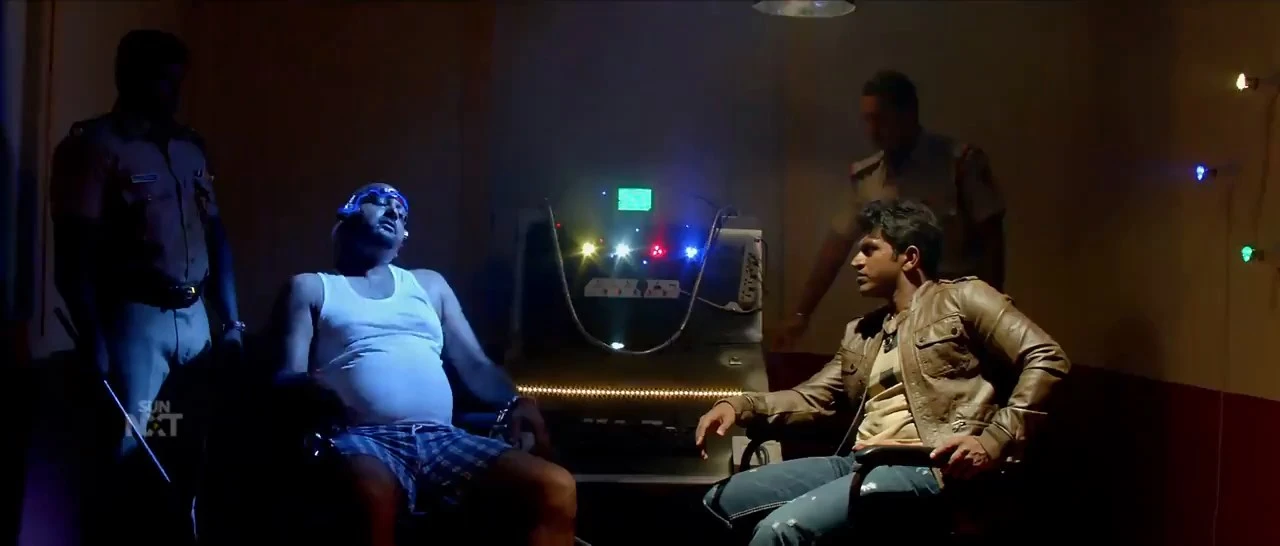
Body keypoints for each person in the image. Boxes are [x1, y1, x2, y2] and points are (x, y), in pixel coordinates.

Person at [695, 200, 1068, 545]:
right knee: (719, 501)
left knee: (779, 532)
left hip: (928, 465)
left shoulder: (963, 298)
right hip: (859, 462)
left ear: (909, 257)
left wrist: (993, 441)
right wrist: (740, 405)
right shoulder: (863, 332)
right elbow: (812, 397)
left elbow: (1047, 357)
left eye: (869, 249)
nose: (855, 262)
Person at [271, 182, 577, 546]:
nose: (393, 212)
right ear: (347, 214)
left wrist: (517, 400)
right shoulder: (312, 287)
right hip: (362, 437)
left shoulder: (429, 285)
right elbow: (287, 374)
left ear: (403, 239)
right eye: (378, 202)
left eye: (401, 213)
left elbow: (476, 366)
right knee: (370, 492)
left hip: (441, 438)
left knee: (554, 485)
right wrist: (311, 391)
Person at [49, 29, 240, 543]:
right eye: (161, 81)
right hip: (134, 319)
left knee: (186, 442)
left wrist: (231, 320)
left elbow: (215, 234)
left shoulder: (188, 148)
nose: (172, 94)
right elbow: (73, 250)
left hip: (194, 317)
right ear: (129, 77)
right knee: (131, 446)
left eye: (177, 81)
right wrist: (92, 335)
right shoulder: (94, 148)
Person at [776, 70, 1006, 349]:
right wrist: (801, 314)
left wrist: (991, 314)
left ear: (908, 115)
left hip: (956, 315)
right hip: (898, 319)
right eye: (868, 120)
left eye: (882, 120)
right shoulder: (868, 177)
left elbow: (992, 240)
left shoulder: (958, 164)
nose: (873, 131)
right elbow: (835, 247)